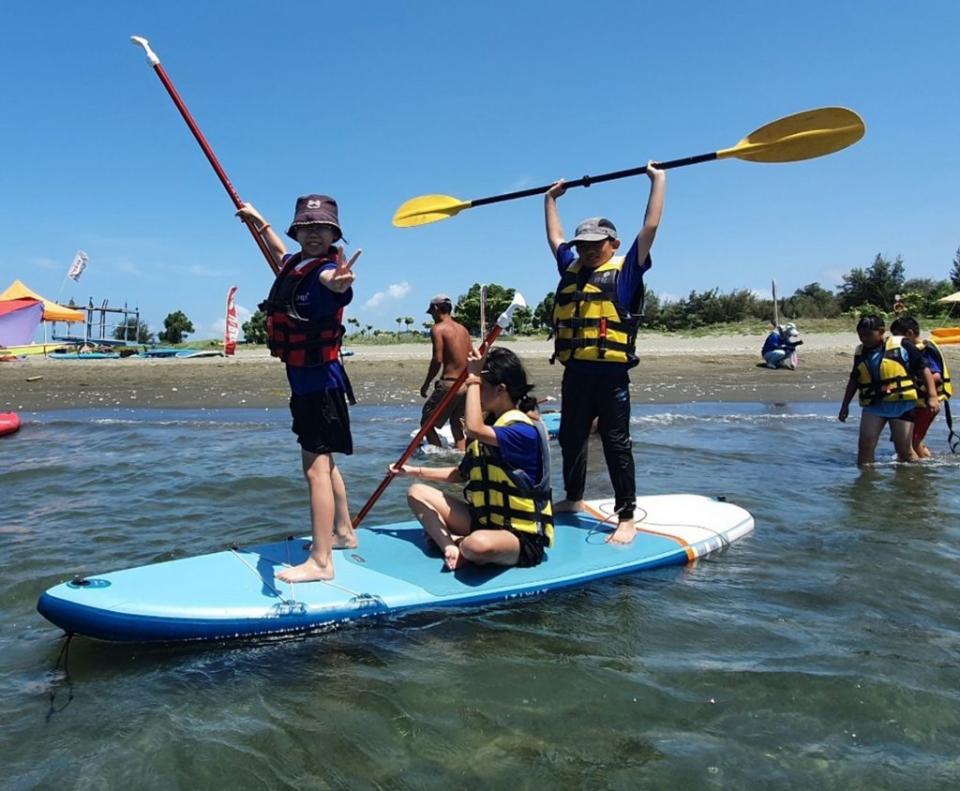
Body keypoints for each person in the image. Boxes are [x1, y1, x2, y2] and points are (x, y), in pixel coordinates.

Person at [237, 195, 360, 581]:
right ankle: (343, 532)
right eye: (307, 227)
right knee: (326, 464)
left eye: (322, 227)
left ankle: (322, 562)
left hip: (320, 384)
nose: (313, 234)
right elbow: (277, 249)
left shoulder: (325, 270)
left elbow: (334, 283)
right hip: (309, 384)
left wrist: (341, 286)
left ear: (334, 234)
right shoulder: (295, 263)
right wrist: (258, 219)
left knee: (315, 470)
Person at [543, 161, 665, 544]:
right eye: (584, 245)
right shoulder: (570, 267)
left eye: (598, 244)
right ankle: (574, 498)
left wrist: (657, 181)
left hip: (611, 377)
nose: (590, 250)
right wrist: (549, 199)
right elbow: (554, 236)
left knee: (615, 443)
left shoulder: (627, 270)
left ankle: (626, 515)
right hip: (576, 373)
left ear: (613, 243)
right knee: (571, 438)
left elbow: (650, 227)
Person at [393, 347, 553, 571]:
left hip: (521, 537)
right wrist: (413, 471)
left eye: (480, 389)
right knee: (416, 492)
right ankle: (451, 546)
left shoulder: (521, 430)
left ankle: (461, 544)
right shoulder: (492, 428)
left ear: (501, 390)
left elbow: (473, 428)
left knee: (477, 545)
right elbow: (461, 474)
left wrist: (473, 378)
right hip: (483, 521)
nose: (475, 395)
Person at [837, 315, 939, 466]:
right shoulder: (861, 352)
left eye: (868, 335)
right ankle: (866, 483)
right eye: (861, 335)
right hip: (874, 405)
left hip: (901, 404)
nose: (864, 339)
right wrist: (844, 405)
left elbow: (923, 369)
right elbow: (854, 379)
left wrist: (932, 396)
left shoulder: (902, 344)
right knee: (865, 447)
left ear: (881, 331)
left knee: (904, 451)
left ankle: (917, 482)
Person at [890, 316, 953, 457]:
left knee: (913, 441)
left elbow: (936, 376)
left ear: (910, 333)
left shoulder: (924, 350)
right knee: (909, 440)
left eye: (898, 336)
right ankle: (927, 463)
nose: (896, 340)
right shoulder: (910, 350)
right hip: (915, 403)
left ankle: (920, 471)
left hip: (926, 404)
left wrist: (914, 382)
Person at [418, 294, 473, 450]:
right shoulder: (463, 330)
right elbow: (472, 356)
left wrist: (426, 383)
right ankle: (461, 455)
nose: (432, 316)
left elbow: (437, 359)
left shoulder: (438, 329)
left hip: (449, 384)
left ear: (436, 308)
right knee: (457, 424)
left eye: (431, 312)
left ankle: (438, 455)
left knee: (426, 423)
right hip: (466, 384)